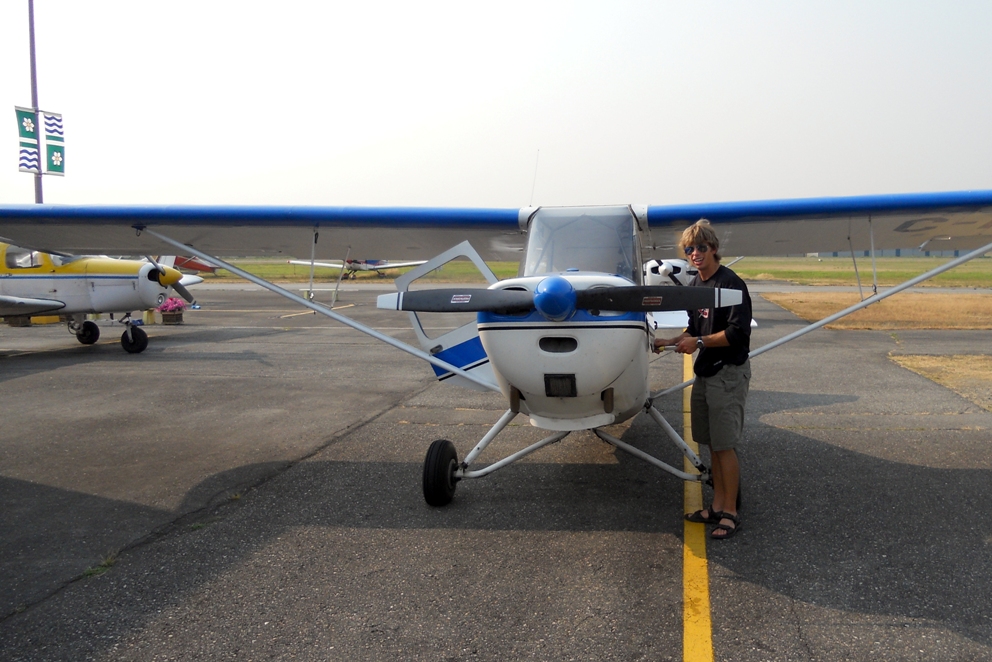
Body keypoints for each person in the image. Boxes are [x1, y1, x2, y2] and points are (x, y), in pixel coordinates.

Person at [654, 219, 752, 540]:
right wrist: (668, 341)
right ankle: (717, 505)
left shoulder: (731, 284)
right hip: (706, 373)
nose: (695, 254)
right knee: (710, 442)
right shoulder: (696, 286)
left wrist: (697, 344)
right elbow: (694, 329)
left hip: (728, 372)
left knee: (725, 446)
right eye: (689, 249)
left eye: (701, 248)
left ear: (713, 249)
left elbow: (738, 334)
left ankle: (731, 513)